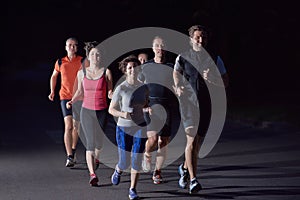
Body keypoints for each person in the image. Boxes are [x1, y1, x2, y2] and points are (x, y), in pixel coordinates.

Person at [173, 25, 228, 194]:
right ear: (191, 39)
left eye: (203, 37)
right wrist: (178, 86)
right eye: (197, 37)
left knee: (197, 144)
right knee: (191, 140)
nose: (200, 40)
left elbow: (225, 82)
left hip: (206, 104)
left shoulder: (215, 58)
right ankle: (193, 180)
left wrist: (211, 78)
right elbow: (176, 73)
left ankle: (183, 168)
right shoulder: (182, 57)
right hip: (189, 105)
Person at [66, 42, 113, 186]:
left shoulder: (106, 72)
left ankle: (96, 159)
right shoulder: (82, 73)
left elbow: (110, 91)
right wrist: (72, 101)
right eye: (92, 54)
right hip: (86, 111)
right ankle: (92, 174)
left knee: (99, 143)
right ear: (88, 56)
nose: (95, 56)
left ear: (101, 57)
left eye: (98, 54)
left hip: (101, 111)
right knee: (90, 144)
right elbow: (80, 91)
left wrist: (114, 95)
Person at [109, 55, 149, 200]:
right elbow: (111, 109)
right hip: (124, 127)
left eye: (135, 67)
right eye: (130, 68)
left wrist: (147, 109)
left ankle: (133, 189)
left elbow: (145, 104)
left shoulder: (144, 87)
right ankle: (119, 169)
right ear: (125, 71)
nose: (133, 70)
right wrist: (122, 113)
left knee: (136, 159)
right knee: (125, 161)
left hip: (140, 126)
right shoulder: (121, 88)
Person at [140, 36, 175, 184]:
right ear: (153, 48)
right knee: (153, 139)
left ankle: (158, 172)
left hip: (167, 106)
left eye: (162, 45)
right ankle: (146, 153)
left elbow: (176, 85)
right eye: (157, 46)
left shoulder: (171, 66)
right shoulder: (146, 66)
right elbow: (139, 86)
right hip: (151, 106)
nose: (160, 48)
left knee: (164, 141)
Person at [48, 37, 83, 167]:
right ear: (65, 47)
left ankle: (73, 151)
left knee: (76, 127)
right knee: (68, 126)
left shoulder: (82, 61)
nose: (72, 47)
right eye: (69, 45)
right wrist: (52, 91)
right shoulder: (60, 62)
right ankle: (69, 156)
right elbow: (53, 76)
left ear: (77, 47)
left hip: (79, 97)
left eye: (74, 45)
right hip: (65, 96)